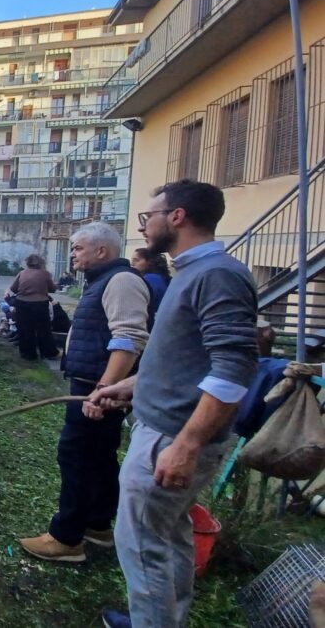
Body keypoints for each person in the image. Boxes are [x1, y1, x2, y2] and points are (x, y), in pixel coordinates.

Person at [87, 181, 257, 628]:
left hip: (171, 436)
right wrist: (130, 387)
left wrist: (187, 444)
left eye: (149, 217)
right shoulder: (193, 273)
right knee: (168, 537)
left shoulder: (216, 274)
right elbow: (186, 359)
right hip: (166, 426)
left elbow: (232, 369)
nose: (145, 226)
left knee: (143, 545)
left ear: (176, 216)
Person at [19, 223, 150, 564]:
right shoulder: (104, 281)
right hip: (98, 384)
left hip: (98, 386)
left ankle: (66, 538)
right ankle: (98, 524)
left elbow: (129, 339)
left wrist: (103, 390)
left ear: (102, 251)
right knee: (100, 455)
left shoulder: (121, 281)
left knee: (75, 455)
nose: (72, 253)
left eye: (78, 248)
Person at [9, 255, 59, 361]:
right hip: (40, 304)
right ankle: (48, 352)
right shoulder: (45, 274)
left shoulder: (22, 273)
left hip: (22, 303)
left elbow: (13, 288)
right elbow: (52, 289)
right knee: (44, 329)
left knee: (25, 329)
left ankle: (27, 353)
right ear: (41, 263)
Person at [132, 247, 171, 324]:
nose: (132, 264)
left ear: (149, 262)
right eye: (132, 261)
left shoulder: (150, 279)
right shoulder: (161, 277)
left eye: (136, 260)